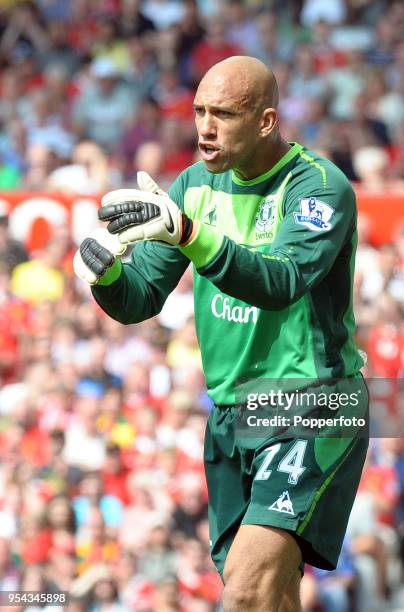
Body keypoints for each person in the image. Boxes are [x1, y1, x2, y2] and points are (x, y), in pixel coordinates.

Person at [73, 55, 369, 612]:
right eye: (199, 111)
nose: (205, 127)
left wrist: (187, 233)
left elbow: (282, 281)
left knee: (246, 594)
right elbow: (141, 298)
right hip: (232, 414)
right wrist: (106, 273)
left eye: (224, 114)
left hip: (311, 402)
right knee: (272, 596)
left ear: (266, 120)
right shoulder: (193, 183)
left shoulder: (319, 187)